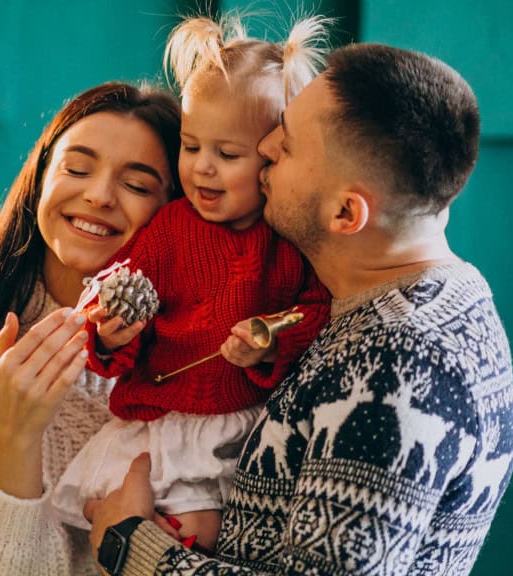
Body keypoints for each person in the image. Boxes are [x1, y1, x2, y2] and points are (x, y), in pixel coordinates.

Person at [84, 43, 513, 576]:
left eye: (285, 146)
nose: (263, 145)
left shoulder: (395, 370)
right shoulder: (444, 294)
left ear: (344, 211)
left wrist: (130, 545)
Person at [51, 14, 332, 553]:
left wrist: (271, 337)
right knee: (96, 501)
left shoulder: (289, 240)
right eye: (191, 145)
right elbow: (117, 282)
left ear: (273, 158)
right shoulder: (171, 228)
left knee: (203, 529)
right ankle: (119, 530)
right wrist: (110, 329)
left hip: (237, 428)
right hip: (162, 418)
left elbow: (315, 309)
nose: (202, 168)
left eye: (227, 155)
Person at [0, 81, 183, 575]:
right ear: (41, 177)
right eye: (77, 168)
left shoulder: (199, 351)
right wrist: (16, 432)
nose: (98, 195)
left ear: (174, 210)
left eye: (136, 185)